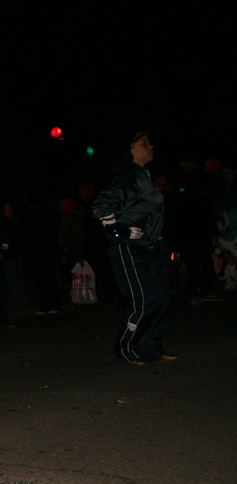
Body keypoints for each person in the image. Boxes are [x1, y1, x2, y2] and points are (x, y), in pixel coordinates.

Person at [92, 131, 178, 365]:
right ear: (128, 150)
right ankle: (125, 348)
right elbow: (100, 205)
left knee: (162, 299)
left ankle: (152, 347)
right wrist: (119, 231)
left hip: (153, 247)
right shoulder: (127, 178)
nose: (151, 147)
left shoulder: (145, 176)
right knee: (144, 301)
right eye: (143, 144)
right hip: (131, 249)